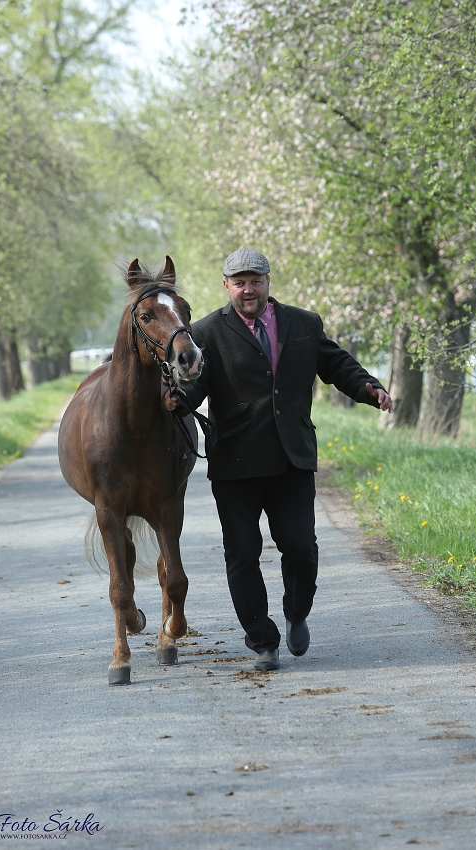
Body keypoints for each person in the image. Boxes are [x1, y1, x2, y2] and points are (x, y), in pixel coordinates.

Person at [163, 248, 392, 671]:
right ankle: (262, 640)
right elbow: (196, 384)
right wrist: (179, 399)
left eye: (255, 280)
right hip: (236, 463)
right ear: (226, 285)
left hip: (292, 458)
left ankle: (297, 612)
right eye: (239, 282)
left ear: (268, 282)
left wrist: (368, 387)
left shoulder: (303, 323)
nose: (248, 289)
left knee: (301, 547)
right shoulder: (208, 331)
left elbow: (335, 363)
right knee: (242, 554)